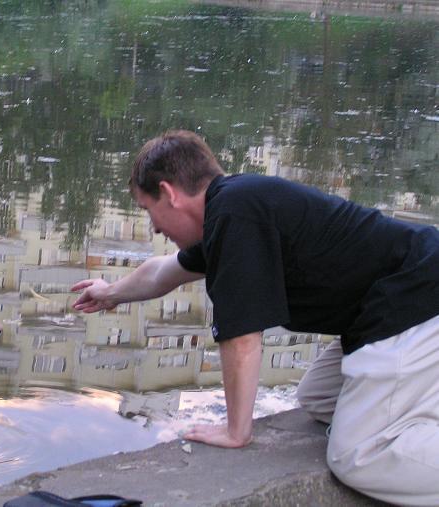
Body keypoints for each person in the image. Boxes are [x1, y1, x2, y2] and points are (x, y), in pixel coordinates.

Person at [71, 130, 439, 506]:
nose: (155, 228)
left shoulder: (236, 214)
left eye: (149, 211)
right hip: (397, 305)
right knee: (321, 398)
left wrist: (237, 431)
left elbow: (243, 337)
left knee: (358, 456)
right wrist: (109, 293)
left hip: (417, 300)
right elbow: (163, 272)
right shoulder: (234, 208)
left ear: (169, 193)